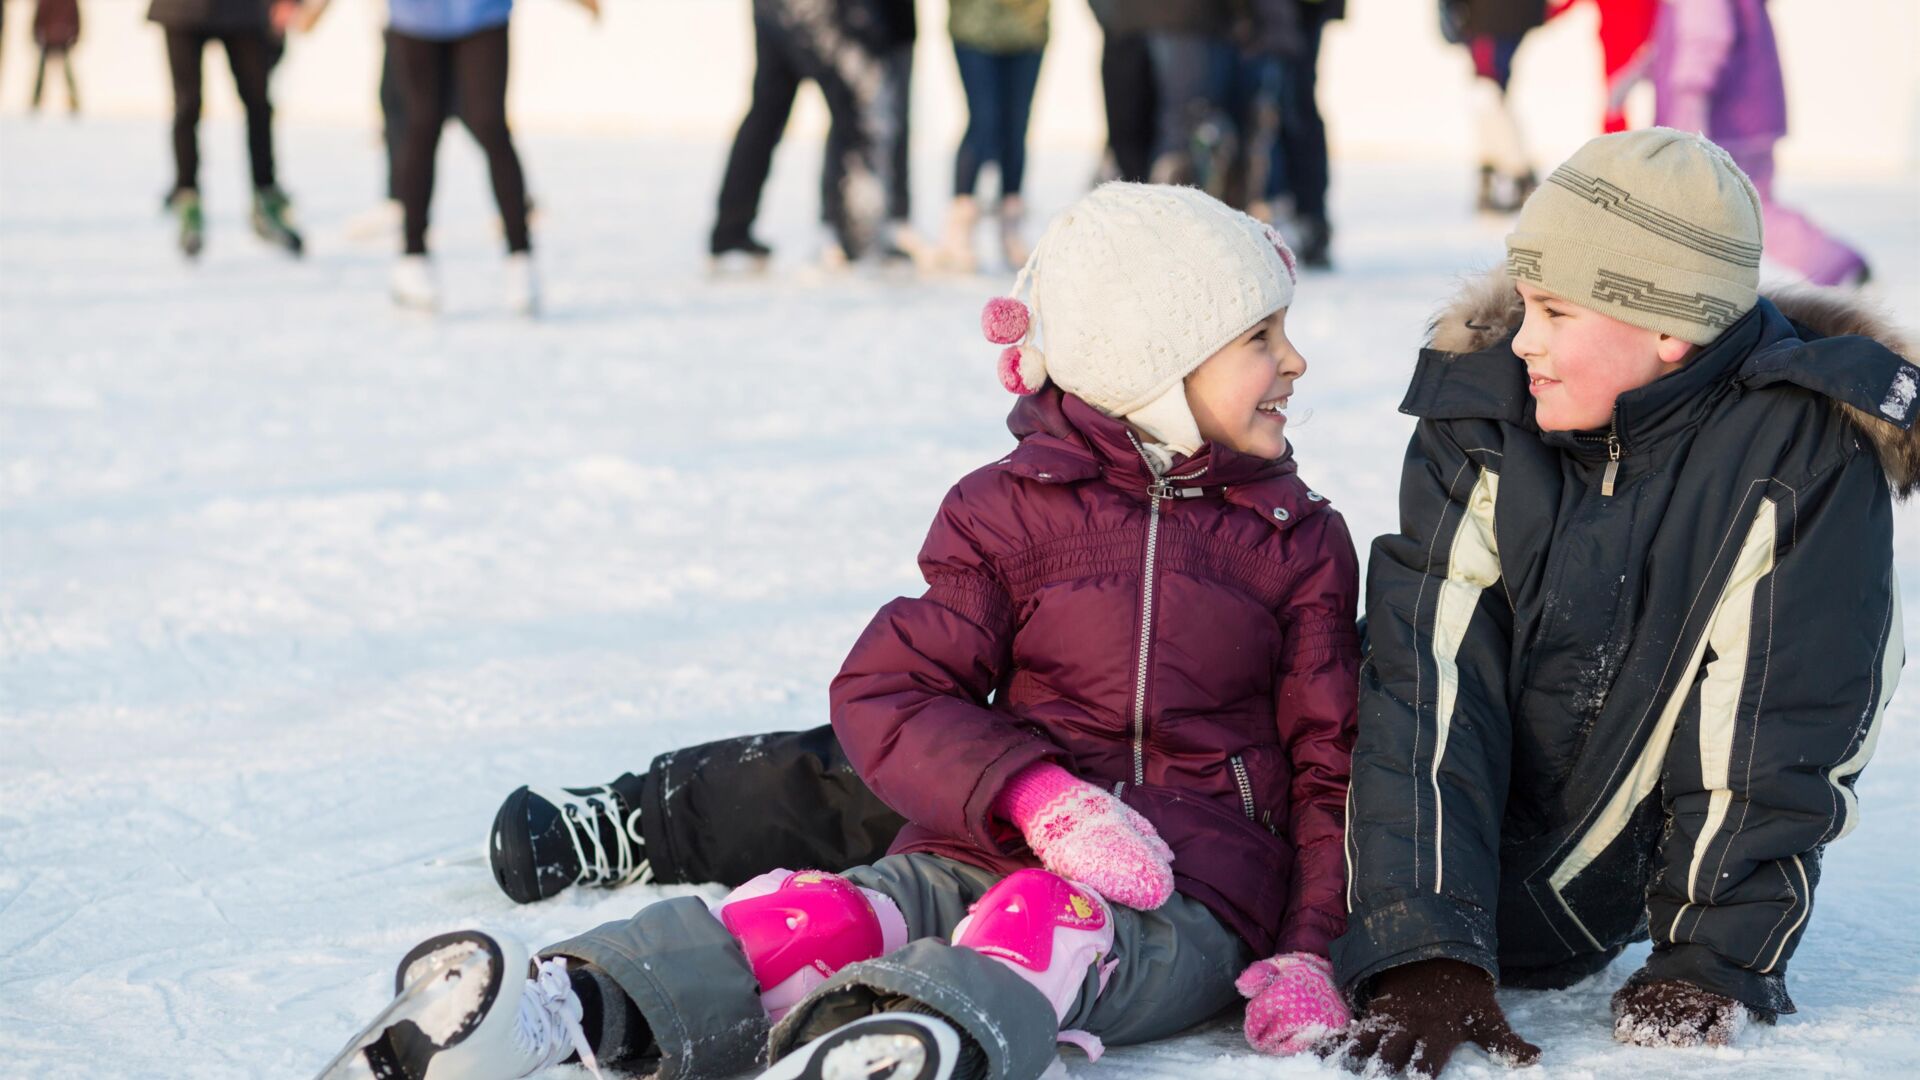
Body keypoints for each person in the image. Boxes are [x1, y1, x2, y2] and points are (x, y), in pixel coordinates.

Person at [315, 183, 1362, 1080]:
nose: (1296, 362)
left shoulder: (1297, 541)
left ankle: (906, 1036)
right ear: (1153, 362)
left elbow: (1330, 769)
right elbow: (890, 694)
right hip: (981, 846)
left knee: (1046, 928)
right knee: (824, 917)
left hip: (1187, 898)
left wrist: (1308, 949)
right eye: (1260, 338)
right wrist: (1031, 796)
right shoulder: (1007, 513)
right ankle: (569, 1007)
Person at [1329, 128, 1911, 1076]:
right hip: (1397, 867)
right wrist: (1420, 938)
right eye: (1522, 303)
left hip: (1586, 903)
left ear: (1667, 326)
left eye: (1555, 311)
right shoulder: (1482, 409)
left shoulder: (1797, 459)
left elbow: (1778, 724)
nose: (1524, 339)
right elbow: (1424, 678)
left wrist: (1711, 961)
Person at [1652, 0, 1870, 286]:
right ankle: (1832, 261)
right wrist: (1639, 72)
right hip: (1747, 116)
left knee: (1732, 208)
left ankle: (1831, 261)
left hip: (1722, 120)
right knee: (1746, 206)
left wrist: (1690, 94)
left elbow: (1707, 33)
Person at [710, 0, 907, 269]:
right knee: (855, 107)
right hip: (821, 11)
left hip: (778, 8)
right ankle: (851, 236)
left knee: (768, 109)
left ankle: (731, 232)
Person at [148, 0, 303, 259]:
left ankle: (266, 198)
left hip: (244, 10)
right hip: (181, 10)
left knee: (258, 103)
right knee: (187, 106)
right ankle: (188, 199)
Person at [936, 0, 1048, 273]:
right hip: (975, 28)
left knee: (1016, 124)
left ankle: (1010, 224)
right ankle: (960, 223)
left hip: (1027, 29)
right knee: (984, 120)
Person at [1441, 0, 1546, 213]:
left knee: (1485, 91)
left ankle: (1517, 172)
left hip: (1491, 19)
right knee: (1489, 92)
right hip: (1498, 17)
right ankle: (1495, 170)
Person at [30, 0, 81, 114]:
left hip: (60, 39)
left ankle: (73, 100)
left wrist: (73, 36)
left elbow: (75, 18)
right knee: (42, 73)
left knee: (66, 73)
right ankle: (36, 101)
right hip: (51, 39)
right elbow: (39, 18)